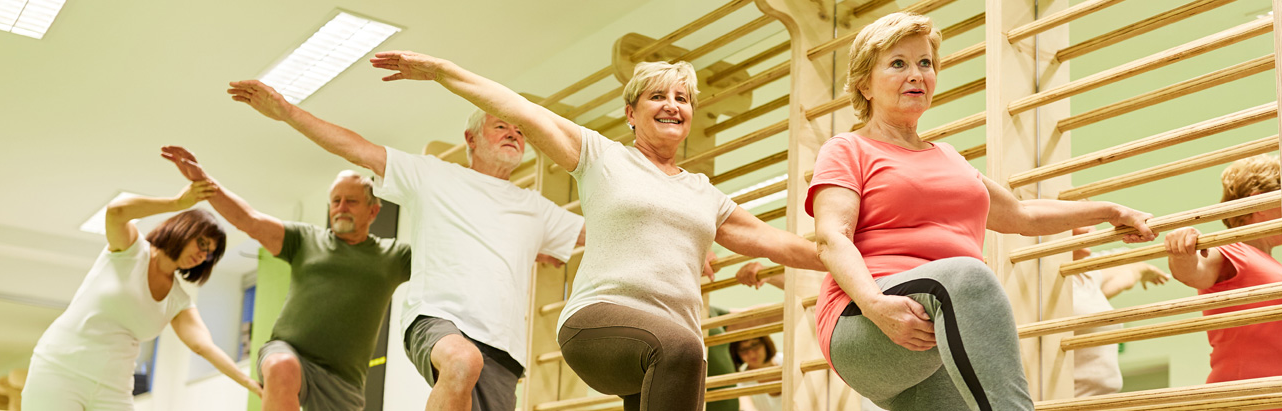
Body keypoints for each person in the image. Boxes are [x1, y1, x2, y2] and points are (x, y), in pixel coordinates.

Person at [370, 50, 827, 410]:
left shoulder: (704, 194)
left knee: (685, 355)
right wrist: (443, 71)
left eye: (682, 98)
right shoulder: (602, 157)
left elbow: (778, 242)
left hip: (668, 348)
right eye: (657, 96)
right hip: (599, 325)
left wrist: (849, 260)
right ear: (631, 113)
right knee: (683, 349)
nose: (672, 105)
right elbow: (520, 110)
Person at [807, 12, 1157, 410]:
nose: (916, 74)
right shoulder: (848, 149)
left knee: (964, 289)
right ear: (865, 84)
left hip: (943, 323)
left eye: (925, 63)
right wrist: (875, 305)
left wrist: (1109, 211)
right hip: (863, 318)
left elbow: (1022, 215)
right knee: (969, 276)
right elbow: (831, 238)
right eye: (898, 64)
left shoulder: (948, 158)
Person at [224, 80, 584, 411]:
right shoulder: (433, 176)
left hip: (504, 347)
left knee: (469, 367)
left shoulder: (535, 209)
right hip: (439, 320)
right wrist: (287, 111)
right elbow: (357, 149)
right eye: (501, 126)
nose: (513, 134)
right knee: (463, 361)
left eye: (520, 131)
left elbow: (597, 234)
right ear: (471, 139)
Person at [161, 147, 412, 411]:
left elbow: (438, 253)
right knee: (282, 367)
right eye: (336, 201)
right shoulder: (305, 239)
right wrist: (204, 182)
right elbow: (250, 220)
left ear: (373, 211)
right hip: (287, 353)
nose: (341, 208)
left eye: (351, 201)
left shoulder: (393, 256)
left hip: (343, 381)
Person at [23, 183, 261, 410]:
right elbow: (116, 211)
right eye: (201, 243)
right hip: (60, 369)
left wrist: (252, 384)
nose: (202, 255)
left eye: (208, 255)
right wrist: (177, 203)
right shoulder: (130, 249)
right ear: (184, 229)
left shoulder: (178, 300)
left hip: (113, 388)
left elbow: (203, 346)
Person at [1164, 154, 1282, 410]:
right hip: (1243, 399)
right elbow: (1193, 272)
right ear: (1260, 202)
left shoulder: (1275, 264)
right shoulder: (1233, 249)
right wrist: (1181, 249)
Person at [1069, 227, 1170, 397]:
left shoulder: (1086, 277)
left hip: (1100, 400)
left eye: (1092, 224)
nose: (1090, 230)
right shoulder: (1048, 280)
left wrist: (1141, 269)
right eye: (1081, 222)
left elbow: (1123, 270)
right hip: (1066, 401)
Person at [729, 335, 782, 411]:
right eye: (743, 349)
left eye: (754, 345)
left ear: (765, 343)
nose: (751, 353)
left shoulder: (785, 361)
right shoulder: (742, 381)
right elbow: (746, 407)